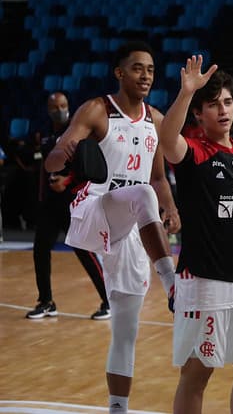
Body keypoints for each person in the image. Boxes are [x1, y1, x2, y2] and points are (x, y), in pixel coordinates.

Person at [44, 41, 179, 414]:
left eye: (151, 69)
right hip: (93, 209)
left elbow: (158, 179)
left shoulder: (155, 119)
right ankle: (172, 284)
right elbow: (54, 161)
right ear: (120, 73)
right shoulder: (97, 109)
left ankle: (117, 407)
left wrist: (172, 208)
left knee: (125, 330)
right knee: (139, 196)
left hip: (133, 226)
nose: (146, 75)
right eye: (138, 68)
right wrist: (63, 155)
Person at [159, 60, 233, 414]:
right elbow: (167, 139)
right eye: (213, 104)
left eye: (227, 102)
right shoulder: (193, 152)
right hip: (203, 281)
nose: (222, 110)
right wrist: (186, 92)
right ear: (199, 114)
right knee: (198, 371)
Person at [26, 92, 109, 320]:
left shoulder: (79, 131)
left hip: (73, 201)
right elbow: (43, 167)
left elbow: (90, 167)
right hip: (49, 203)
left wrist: (67, 181)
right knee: (40, 250)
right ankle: (46, 302)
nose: (59, 110)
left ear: (69, 106)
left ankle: (108, 300)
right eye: (54, 106)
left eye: (62, 105)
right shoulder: (42, 134)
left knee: (84, 251)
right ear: (48, 108)